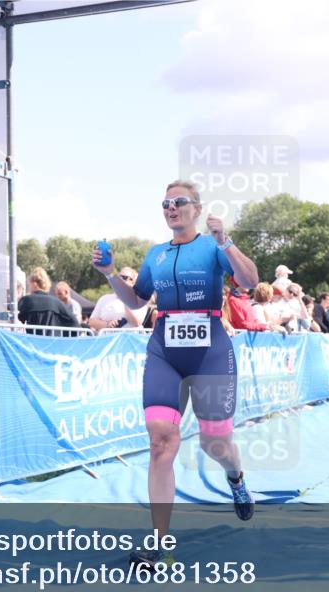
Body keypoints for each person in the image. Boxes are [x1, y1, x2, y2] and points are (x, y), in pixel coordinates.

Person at [91, 179, 260, 569]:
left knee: (215, 441)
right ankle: (159, 543)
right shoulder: (156, 254)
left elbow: (249, 282)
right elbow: (136, 300)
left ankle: (235, 477)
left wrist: (226, 241)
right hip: (166, 351)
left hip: (210, 353)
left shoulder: (213, 247)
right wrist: (110, 273)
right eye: (165, 203)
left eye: (179, 202)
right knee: (160, 442)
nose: (171, 208)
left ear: (197, 209)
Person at [17, 267, 80, 332]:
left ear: (34, 284)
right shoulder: (56, 302)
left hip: (32, 340)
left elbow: (16, 319)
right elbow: (74, 323)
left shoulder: (27, 300)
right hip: (52, 341)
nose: (29, 287)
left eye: (29, 284)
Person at [88, 266, 148, 332]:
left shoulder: (140, 299)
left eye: (125, 277)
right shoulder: (104, 298)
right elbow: (91, 322)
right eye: (119, 277)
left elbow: (136, 323)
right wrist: (107, 324)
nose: (121, 279)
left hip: (131, 340)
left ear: (133, 282)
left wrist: (125, 298)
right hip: (109, 340)